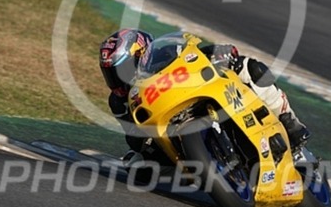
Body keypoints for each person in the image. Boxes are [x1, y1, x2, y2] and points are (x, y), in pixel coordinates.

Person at [99, 29, 310, 166]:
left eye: (122, 70)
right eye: (111, 74)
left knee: (249, 68)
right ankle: (206, 168)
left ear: (142, 55)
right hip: (167, 132)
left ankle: (288, 121)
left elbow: (200, 53)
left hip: (201, 94)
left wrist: (221, 54)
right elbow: (133, 138)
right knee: (136, 163)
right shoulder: (119, 101)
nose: (118, 80)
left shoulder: (166, 52)